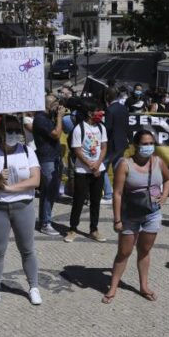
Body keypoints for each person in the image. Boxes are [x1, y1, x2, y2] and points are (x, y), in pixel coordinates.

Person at [0, 115, 42, 308]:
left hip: (23, 205)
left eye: (17, 132)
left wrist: (12, 189)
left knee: (27, 248)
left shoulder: (28, 152)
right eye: (10, 132)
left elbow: (35, 180)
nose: (14, 135)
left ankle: (33, 287)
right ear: (1, 133)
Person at [104, 130, 169, 303]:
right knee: (124, 252)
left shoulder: (158, 162)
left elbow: (168, 179)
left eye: (151, 143)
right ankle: (113, 287)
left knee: (144, 250)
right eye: (144, 144)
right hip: (129, 215)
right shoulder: (125, 164)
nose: (148, 147)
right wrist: (117, 219)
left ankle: (144, 285)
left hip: (152, 214)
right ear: (136, 145)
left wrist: (163, 196)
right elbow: (117, 193)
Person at [64, 98, 108, 243]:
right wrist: (90, 165)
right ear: (89, 113)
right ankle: (72, 228)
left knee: (96, 201)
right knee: (78, 200)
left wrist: (98, 164)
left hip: (98, 169)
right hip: (82, 170)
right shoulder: (79, 129)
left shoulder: (101, 127)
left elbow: (104, 147)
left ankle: (93, 229)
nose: (100, 113)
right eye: (97, 110)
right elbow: (77, 150)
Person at [33, 95, 66, 236]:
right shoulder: (41, 119)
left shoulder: (47, 117)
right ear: (48, 105)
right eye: (55, 104)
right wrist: (59, 117)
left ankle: (44, 220)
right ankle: (46, 223)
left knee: (50, 191)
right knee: (49, 190)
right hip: (47, 159)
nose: (58, 107)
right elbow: (56, 134)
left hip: (54, 157)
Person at [102, 87, 130, 204]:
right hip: (122, 142)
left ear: (107, 96)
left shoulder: (110, 110)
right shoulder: (123, 108)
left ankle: (108, 193)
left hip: (112, 143)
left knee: (101, 167)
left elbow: (108, 128)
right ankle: (120, 192)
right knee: (118, 168)